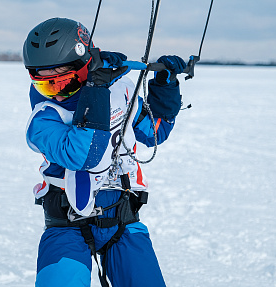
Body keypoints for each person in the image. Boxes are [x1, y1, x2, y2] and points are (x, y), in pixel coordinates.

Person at [23, 17, 186, 287]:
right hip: (66, 226)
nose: (56, 94)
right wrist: (96, 90)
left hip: (123, 220)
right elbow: (85, 156)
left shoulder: (119, 90)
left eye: (61, 83)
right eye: (45, 85)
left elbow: (154, 132)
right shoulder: (43, 119)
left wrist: (165, 89)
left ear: (85, 66)